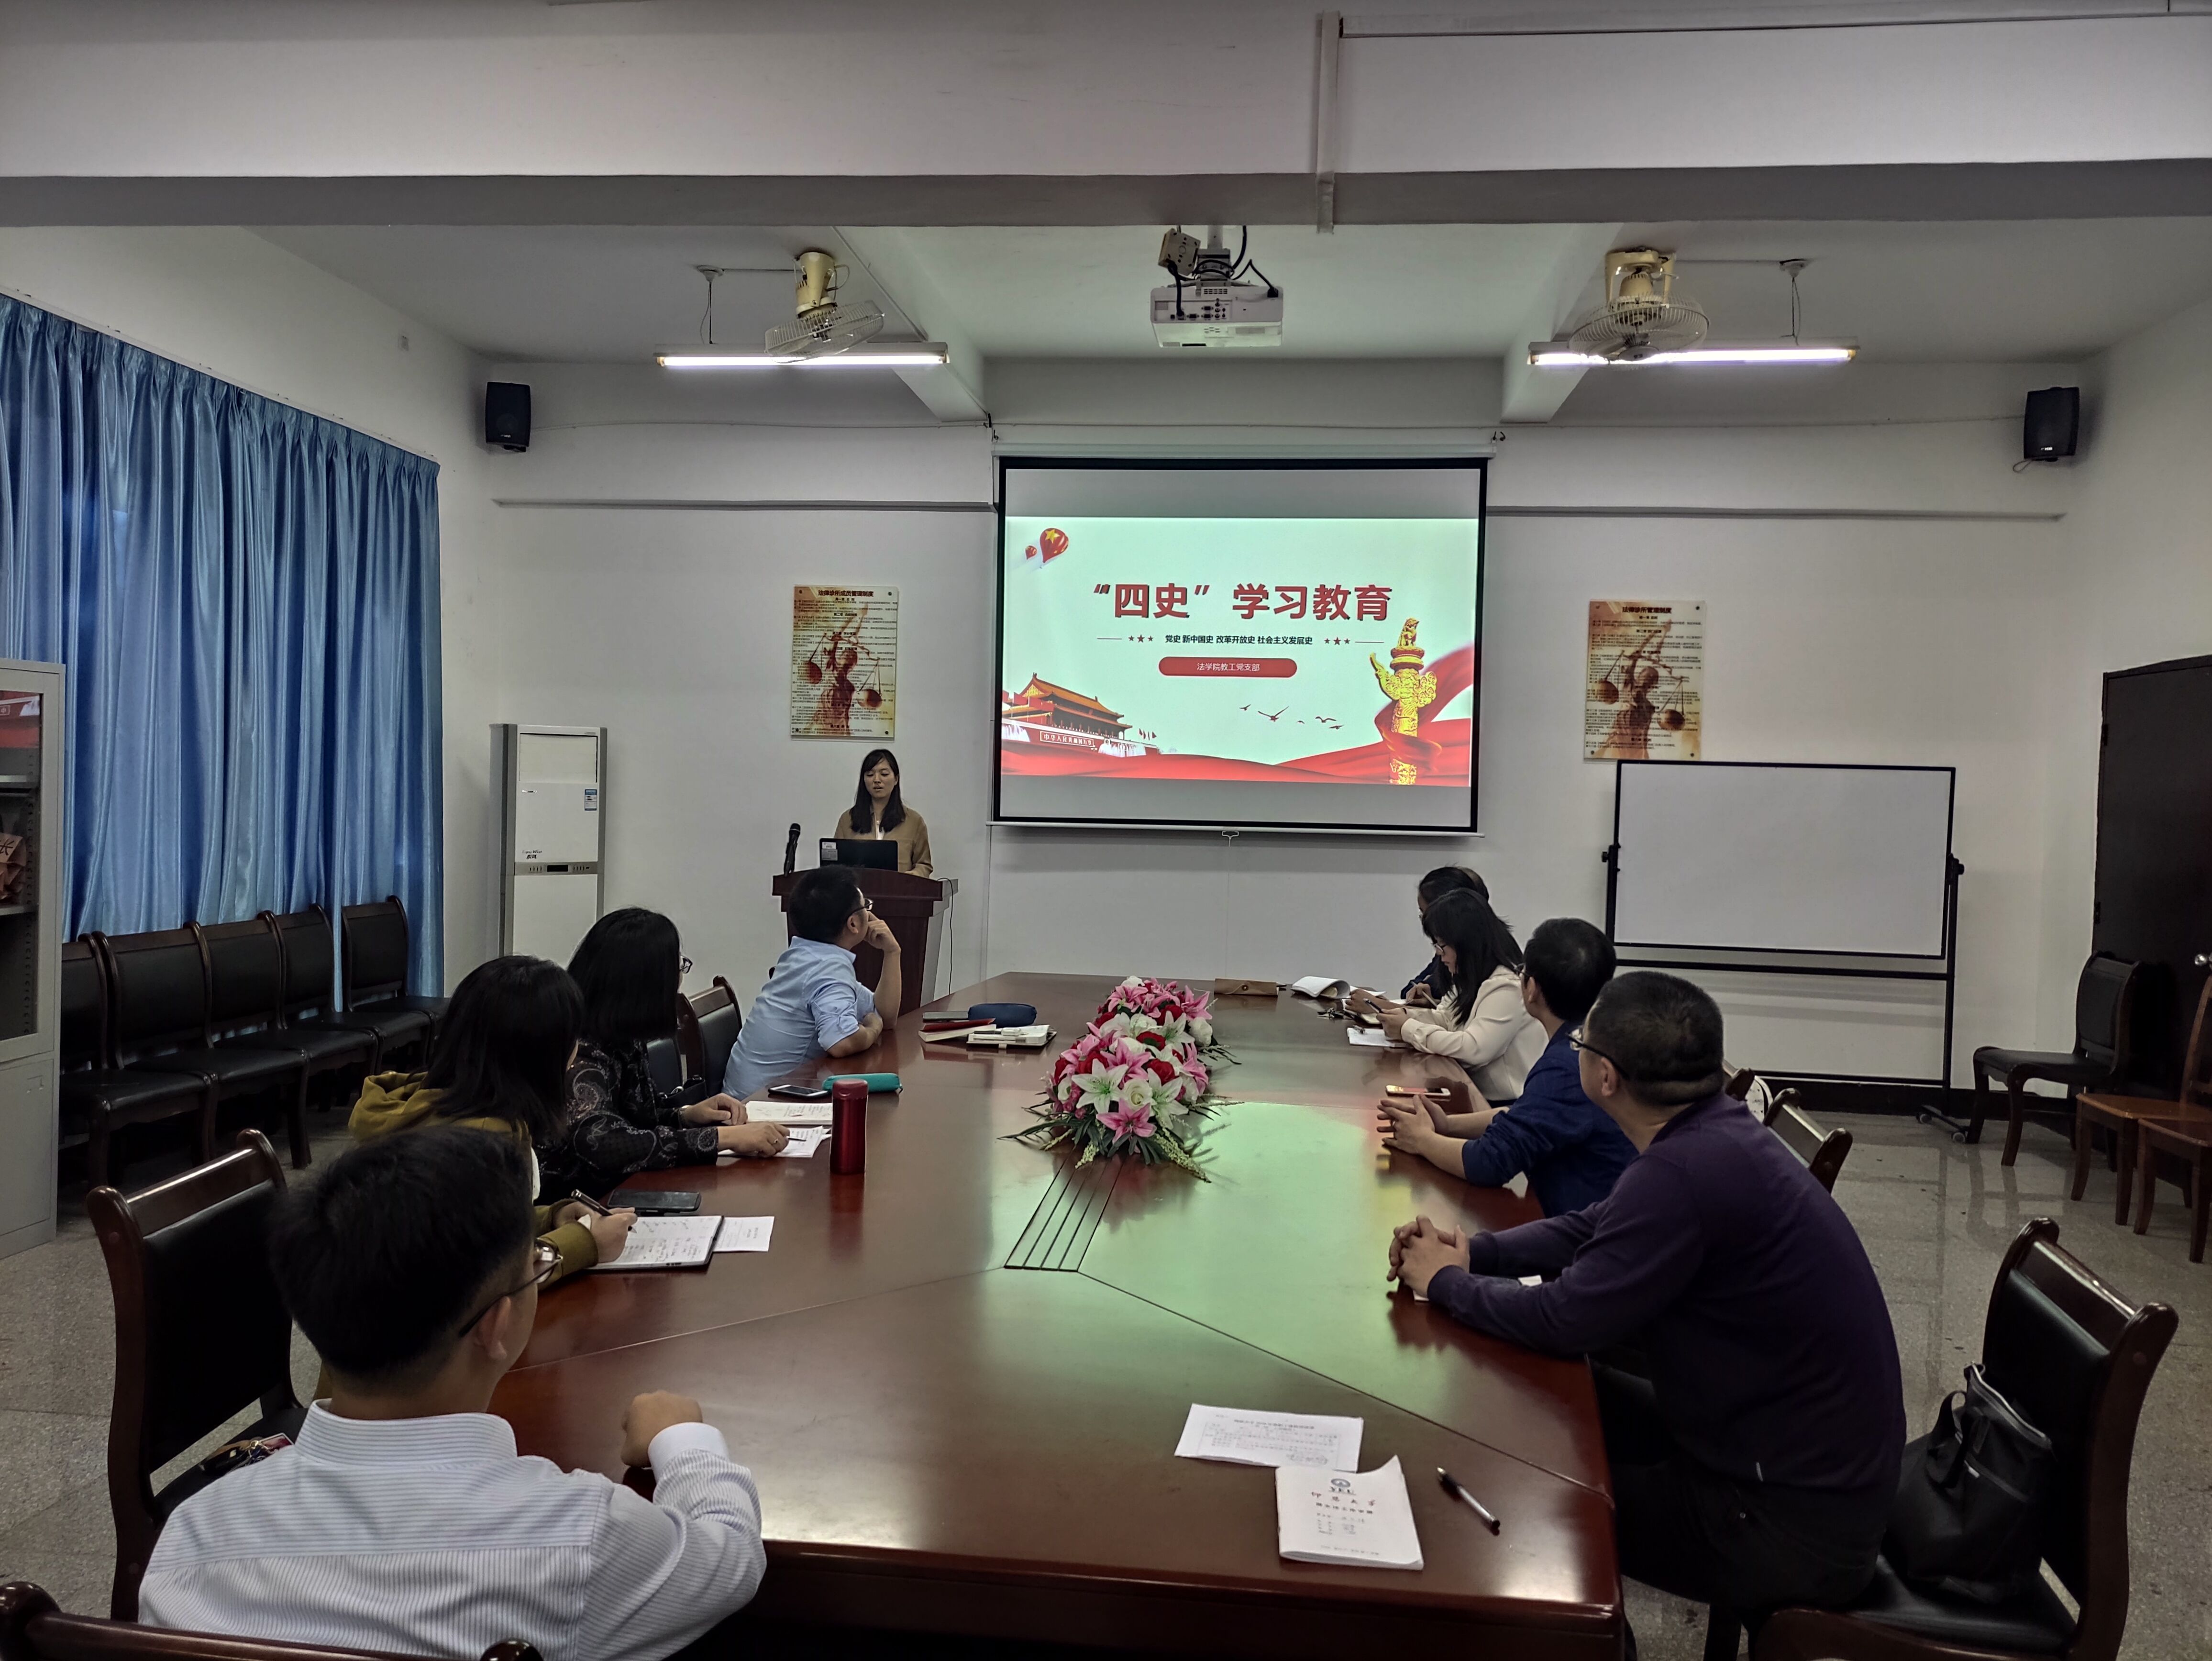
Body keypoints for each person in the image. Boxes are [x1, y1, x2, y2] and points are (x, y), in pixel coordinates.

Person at [1388, 972, 1904, 1620]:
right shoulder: (1713, 1133)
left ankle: (1589, 1639)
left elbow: (1565, 1317)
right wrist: (1474, 1253)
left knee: (1520, 1495)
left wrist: (1445, 1282)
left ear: (1605, 1077)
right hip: (1772, 1455)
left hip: (1785, 1524)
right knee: (1546, 1401)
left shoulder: (1683, 1173)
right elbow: (1594, 1225)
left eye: (1581, 1045)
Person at [140, 1129, 765, 1659]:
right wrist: (682, 1438)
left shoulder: (193, 1537)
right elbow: (730, 1558)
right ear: (495, 1326)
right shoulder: (578, 1537)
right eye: (536, 1266)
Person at [350, 954, 633, 1279]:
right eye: (572, 1039)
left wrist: (552, 1218)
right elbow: (483, 1278)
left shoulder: (436, 1101)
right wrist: (586, 1243)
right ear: (544, 1055)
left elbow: (475, 1229)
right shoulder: (483, 1142)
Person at [1377, 917, 1635, 1217]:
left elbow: (1489, 1162)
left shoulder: (1569, 1065)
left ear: (1531, 989)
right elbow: (1525, 1114)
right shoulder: (1593, 1044)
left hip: (1583, 1229)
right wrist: (1447, 1125)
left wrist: (1423, 1140)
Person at [555, 909, 787, 1199]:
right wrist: (722, 1138)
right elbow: (603, 1143)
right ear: (647, 983)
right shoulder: (580, 1051)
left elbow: (636, 1119)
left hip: (622, 1191)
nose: (679, 980)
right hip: (575, 1206)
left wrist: (687, 1115)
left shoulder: (622, 1036)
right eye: (677, 967)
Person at [724, 865, 900, 1098]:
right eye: (866, 907)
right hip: (761, 1103)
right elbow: (842, 1042)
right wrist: (872, 1030)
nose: (870, 915)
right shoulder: (828, 967)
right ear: (853, 924)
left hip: (744, 1096)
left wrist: (892, 953)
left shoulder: (803, 956)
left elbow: (884, 1015)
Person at [1376, 888, 1544, 1101]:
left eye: (1442, 946)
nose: (1440, 955)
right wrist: (1406, 1017)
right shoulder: (1473, 975)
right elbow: (1447, 1019)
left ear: (1466, 943)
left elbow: (1473, 1050)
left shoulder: (1507, 985)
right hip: (1470, 1090)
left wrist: (1408, 1029)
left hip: (1503, 1104)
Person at [832, 748, 933, 875]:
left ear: (896, 779)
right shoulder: (848, 819)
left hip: (899, 886)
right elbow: (835, 866)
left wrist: (915, 875)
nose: (877, 780)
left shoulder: (914, 821)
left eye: (884, 774)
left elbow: (924, 864)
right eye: (870, 775)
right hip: (859, 886)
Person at [1400, 865, 1488, 1005]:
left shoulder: (1477, 956)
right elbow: (1411, 990)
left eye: (1425, 913)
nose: (1424, 921)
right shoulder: (1448, 948)